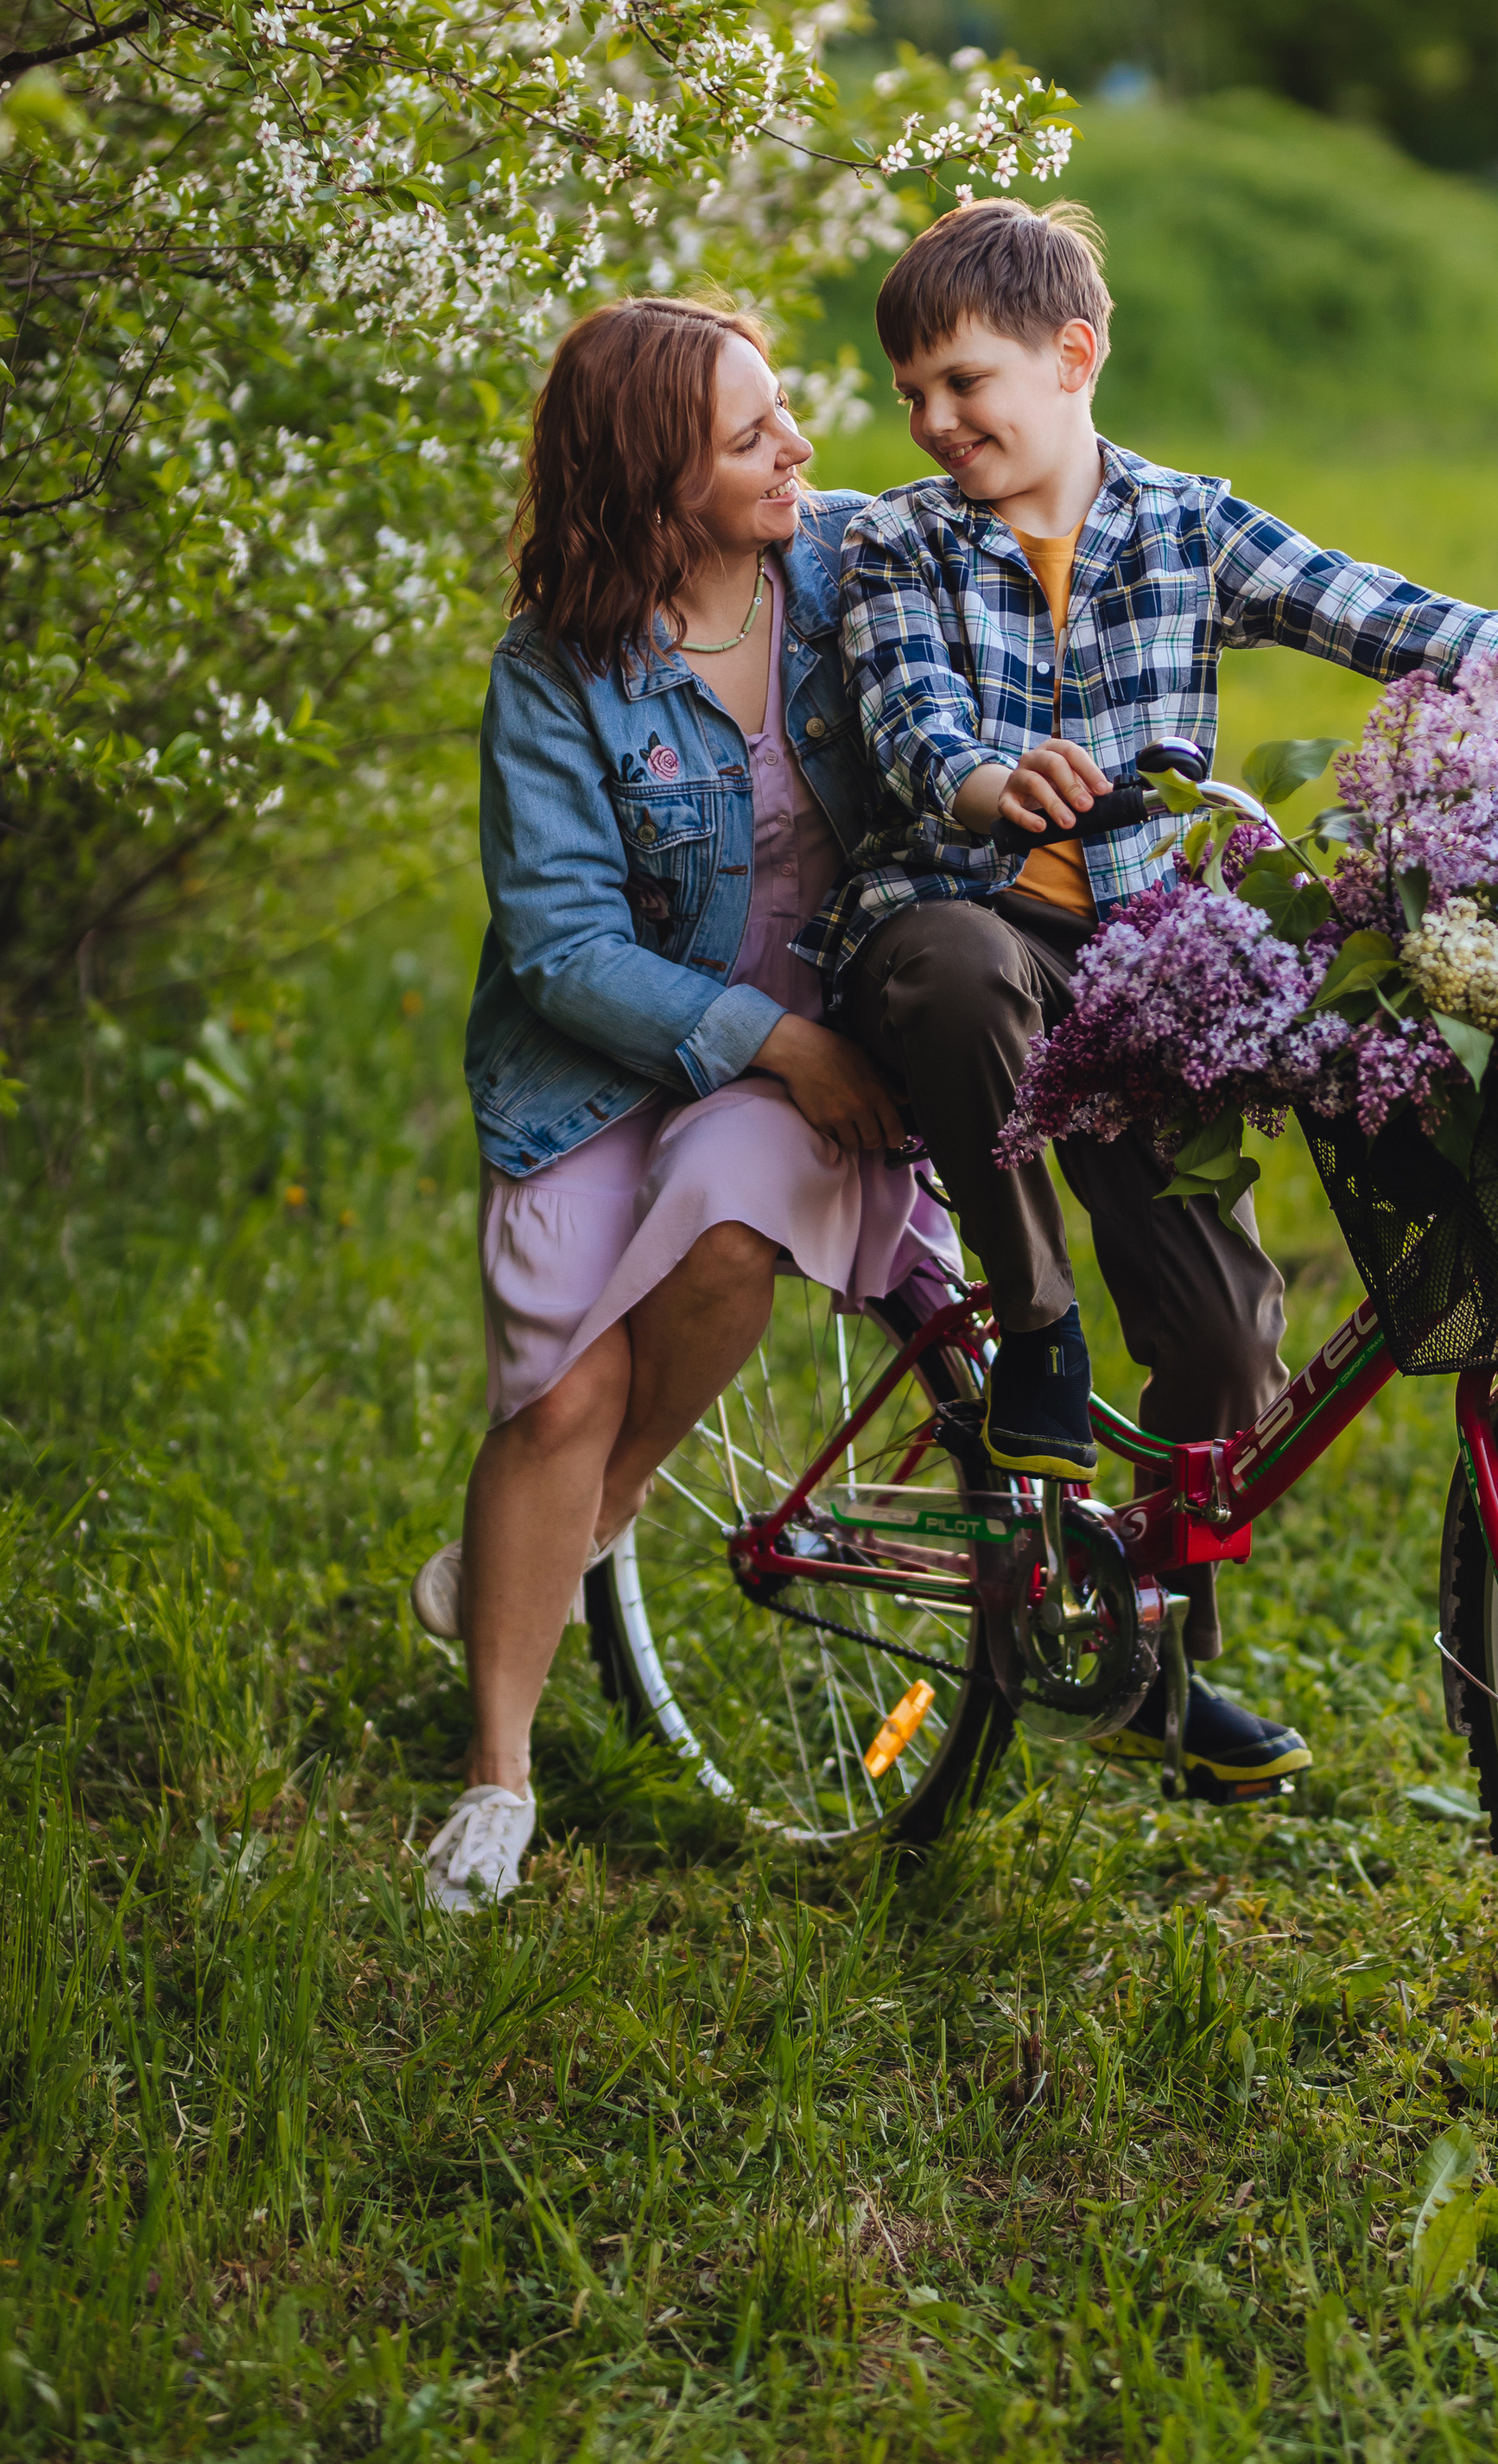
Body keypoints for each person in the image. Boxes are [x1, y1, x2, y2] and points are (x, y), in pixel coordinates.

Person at [814, 198, 1498, 1805]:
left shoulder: (1187, 525)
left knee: (1226, 1347)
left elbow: (1406, 625)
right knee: (969, 972)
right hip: (953, 921)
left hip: (1138, 969)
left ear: (1073, 356)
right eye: (913, 395)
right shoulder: (904, 542)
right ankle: (1032, 1327)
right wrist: (990, 784)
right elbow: (911, 722)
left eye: (964, 382)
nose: (935, 420)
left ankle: (1159, 1663)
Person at [413, 296, 957, 1912]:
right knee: (560, 1402)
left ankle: (588, 1524)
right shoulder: (555, 675)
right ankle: (497, 1774)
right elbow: (562, 945)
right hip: (595, 1065)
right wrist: (769, 1043)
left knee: (721, 1245)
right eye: (749, 433)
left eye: (782, 413)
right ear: (654, 488)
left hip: (808, 1046)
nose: (800, 444)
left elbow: (1059, 508)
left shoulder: (855, 569)